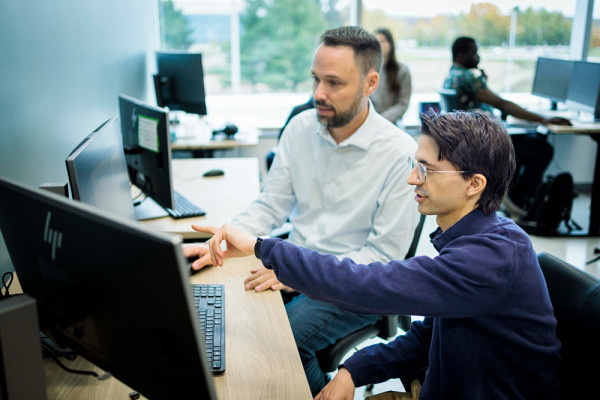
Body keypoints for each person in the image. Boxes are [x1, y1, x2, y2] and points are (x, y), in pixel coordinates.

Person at [196, 110, 562, 400]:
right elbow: (430, 337)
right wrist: (354, 369)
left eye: (427, 169)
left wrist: (262, 247)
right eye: (415, 165)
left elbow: (366, 285)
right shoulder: (477, 240)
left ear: (474, 184)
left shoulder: (490, 258)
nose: (412, 180)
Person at [185, 26, 419, 396]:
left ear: (370, 83)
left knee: (281, 342)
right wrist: (228, 238)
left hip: (358, 286)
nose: (318, 94)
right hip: (295, 264)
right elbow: (271, 204)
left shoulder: (399, 154)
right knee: (229, 317)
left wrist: (303, 273)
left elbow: (383, 258)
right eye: (315, 80)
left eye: (333, 83)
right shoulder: (300, 128)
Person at [443, 36, 571, 216]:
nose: (478, 57)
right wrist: (544, 119)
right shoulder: (468, 78)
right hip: (484, 143)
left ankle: (512, 191)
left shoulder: (451, 76)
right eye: (474, 53)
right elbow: (502, 104)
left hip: (472, 139)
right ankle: (517, 196)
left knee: (532, 142)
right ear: (461, 55)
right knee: (542, 149)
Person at [371, 28, 412, 124]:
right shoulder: (369, 69)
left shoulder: (402, 71)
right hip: (370, 122)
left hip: (391, 123)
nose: (378, 44)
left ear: (390, 44)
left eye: (382, 41)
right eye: (376, 41)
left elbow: (403, 103)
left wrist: (381, 120)